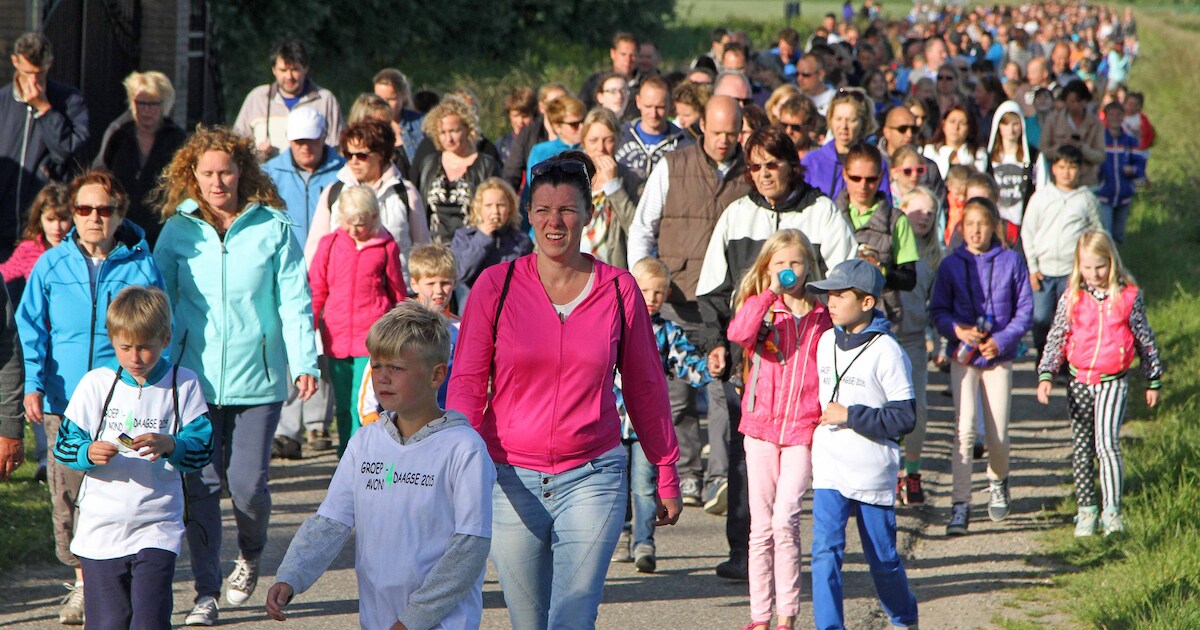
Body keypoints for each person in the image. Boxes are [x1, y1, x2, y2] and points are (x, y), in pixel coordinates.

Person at [448, 152, 682, 628]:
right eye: (542, 210)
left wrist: (665, 469)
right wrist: (454, 464)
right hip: (509, 476)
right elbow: (468, 383)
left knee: (573, 616)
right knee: (529, 622)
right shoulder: (497, 285)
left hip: (593, 474)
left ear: (589, 214)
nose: (555, 222)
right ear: (528, 214)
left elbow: (646, 388)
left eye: (568, 209)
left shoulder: (620, 290)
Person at [151, 126, 319, 625]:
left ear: (242, 172)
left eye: (226, 171)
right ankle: (206, 592)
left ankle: (250, 553)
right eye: (207, 174)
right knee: (199, 486)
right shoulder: (177, 231)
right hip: (191, 380)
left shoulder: (273, 226)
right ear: (193, 178)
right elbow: (156, 298)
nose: (218, 181)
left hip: (258, 379)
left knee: (246, 487)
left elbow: (294, 300)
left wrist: (305, 359)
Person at [266, 302, 495, 629]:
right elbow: (332, 520)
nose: (383, 378)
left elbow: (470, 547)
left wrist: (413, 619)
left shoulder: (464, 448)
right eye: (377, 366)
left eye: (397, 368)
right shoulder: (365, 441)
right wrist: (291, 575)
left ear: (437, 374)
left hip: (443, 622)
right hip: (377, 621)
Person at [18, 170, 163, 624]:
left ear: (119, 214)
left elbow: (159, 328)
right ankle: (82, 583)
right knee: (67, 495)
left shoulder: (142, 265)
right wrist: (34, 383)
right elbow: (31, 327)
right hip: (65, 402)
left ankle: (122, 580)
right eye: (84, 209)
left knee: (118, 493)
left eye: (104, 209)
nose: (94, 218)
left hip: (123, 400)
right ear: (73, 214)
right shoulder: (51, 265)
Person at [52, 286, 212, 630]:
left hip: (157, 523)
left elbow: (202, 448)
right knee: (108, 622)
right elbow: (65, 444)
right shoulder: (96, 383)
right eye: (125, 347)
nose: (135, 357)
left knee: (150, 621)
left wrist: (172, 444)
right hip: (101, 526)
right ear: (112, 340)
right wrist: (87, 452)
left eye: (145, 347)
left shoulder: (183, 384)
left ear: (165, 338)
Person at [628, 96, 749, 528]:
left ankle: (719, 478)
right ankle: (687, 474)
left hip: (725, 303)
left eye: (731, 134)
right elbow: (643, 226)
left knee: (722, 392)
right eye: (716, 133)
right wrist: (639, 284)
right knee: (673, 397)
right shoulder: (672, 165)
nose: (723, 141)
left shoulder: (751, 171)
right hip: (676, 296)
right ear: (701, 129)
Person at [807, 258, 920, 630]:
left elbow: (905, 418)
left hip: (872, 473)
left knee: (883, 560)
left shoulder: (887, 350)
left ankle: (904, 618)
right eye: (828, 295)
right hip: (829, 467)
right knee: (824, 554)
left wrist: (850, 415)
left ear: (868, 302)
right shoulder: (825, 341)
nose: (831, 302)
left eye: (840, 295)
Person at [726, 230, 831, 630]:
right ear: (769, 269)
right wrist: (768, 295)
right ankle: (760, 617)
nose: (789, 270)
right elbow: (737, 334)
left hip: (804, 429)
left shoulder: (822, 315)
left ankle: (787, 616)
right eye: (780, 264)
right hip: (760, 428)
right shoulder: (763, 308)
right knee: (761, 526)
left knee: (787, 519)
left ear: (809, 267)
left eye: (796, 263)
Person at [1036, 231, 1163, 537]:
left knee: (1106, 445)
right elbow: (1057, 336)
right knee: (1082, 447)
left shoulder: (1127, 297)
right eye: (1088, 268)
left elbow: (1145, 339)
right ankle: (1086, 511)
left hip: (1112, 381)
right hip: (1079, 379)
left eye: (1101, 267)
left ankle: (1112, 512)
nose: (1094, 275)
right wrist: (1046, 374)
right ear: (1079, 267)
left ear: (1112, 263)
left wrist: (1153, 377)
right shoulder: (1073, 297)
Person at [930, 198, 1033, 535]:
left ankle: (998, 479)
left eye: (982, 223)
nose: (976, 230)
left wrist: (1001, 341)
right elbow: (939, 310)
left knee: (997, 432)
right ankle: (960, 505)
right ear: (960, 228)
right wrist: (957, 330)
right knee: (963, 430)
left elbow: (1024, 311)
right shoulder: (950, 264)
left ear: (994, 227)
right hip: (964, 355)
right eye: (969, 223)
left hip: (998, 357)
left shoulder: (1012, 261)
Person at [612, 257, 711, 573]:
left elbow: (689, 364)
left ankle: (644, 541)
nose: (652, 299)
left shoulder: (667, 332)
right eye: (644, 291)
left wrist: (714, 371)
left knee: (643, 484)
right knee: (615, 485)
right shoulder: (614, 324)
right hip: (610, 422)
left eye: (659, 293)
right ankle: (619, 535)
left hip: (645, 426)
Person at [309, 186, 405, 456]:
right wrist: (310, 326)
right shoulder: (329, 244)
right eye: (348, 223)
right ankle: (344, 455)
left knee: (360, 403)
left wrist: (399, 332)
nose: (353, 230)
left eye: (361, 224)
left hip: (372, 339)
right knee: (340, 404)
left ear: (374, 217)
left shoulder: (387, 246)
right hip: (336, 337)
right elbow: (317, 289)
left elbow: (396, 291)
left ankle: (359, 455)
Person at [303, 120, 430, 283]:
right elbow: (315, 247)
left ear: (381, 154)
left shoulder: (405, 192)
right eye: (349, 154)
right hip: (343, 294)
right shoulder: (333, 192)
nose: (354, 161)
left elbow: (422, 248)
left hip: (398, 294)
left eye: (361, 155)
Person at [0, 33, 89, 256]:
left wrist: (45, 110)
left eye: (39, 74)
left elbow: (67, 151)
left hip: (45, 225)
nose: (33, 81)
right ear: (15, 62)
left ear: (49, 64)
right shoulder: (3, 102)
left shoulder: (69, 101)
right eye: (27, 72)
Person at [1021, 146, 1103, 355]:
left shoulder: (1086, 199)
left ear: (1080, 170)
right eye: (1062, 166)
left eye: (1072, 167)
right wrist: (1032, 267)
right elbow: (1028, 232)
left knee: (1069, 318)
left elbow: (1097, 234)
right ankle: (1044, 359)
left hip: (1072, 271)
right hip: (1043, 270)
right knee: (1040, 319)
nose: (1067, 172)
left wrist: (1090, 268)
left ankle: (1065, 364)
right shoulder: (1041, 197)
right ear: (1053, 169)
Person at [92, 71, 187, 248]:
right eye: (140, 103)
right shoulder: (118, 133)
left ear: (164, 104)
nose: (145, 110)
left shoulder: (176, 138)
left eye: (152, 104)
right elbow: (100, 174)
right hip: (121, 228)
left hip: (162, 229)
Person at [894, 187, 943, 505]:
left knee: (918, 409)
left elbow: (936, 305)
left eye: (930, 212)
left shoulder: (935, 258)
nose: (923, 217)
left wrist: (938, 341)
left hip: (913, 340)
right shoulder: (891, 247)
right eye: (917, 210)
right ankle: (890, 473)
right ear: (902, 210)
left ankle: (912, 472)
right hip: (883, 336)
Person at [232, 38, 342, 159]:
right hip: (265, 176)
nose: (289, 76)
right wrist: (256, 153)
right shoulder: (257, 98)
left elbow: (337, 146)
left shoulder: (325, 100)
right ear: (274, 70)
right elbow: (237, 144)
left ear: (305, 68)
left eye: (295, 70)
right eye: (283, 70)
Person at [418, 99, 502, 243]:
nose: (448, 138)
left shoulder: (487, 165)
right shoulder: (429, 163)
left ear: (467, 129)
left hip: (474, 248)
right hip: (434, 252)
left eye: (454, 131)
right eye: (442, 132)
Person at [802, 90, 893, 202]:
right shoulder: (812, 161)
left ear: (863, 123)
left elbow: (884, 207)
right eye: (838, 119)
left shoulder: (875, 161)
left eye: (851, 120)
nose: (844, 126)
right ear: (830, 120)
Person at [581, 107, 643, 269]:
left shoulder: (634, 178)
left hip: (611, 268)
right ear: (583, 141)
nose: (601, 148)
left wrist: (613, 186)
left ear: (618, 140)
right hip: (572, 267)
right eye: (593, 140)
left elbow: (636, 229)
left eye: (608, 140)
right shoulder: (569, 174)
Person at [450, 177, 532, 293]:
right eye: (488, 205)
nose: (495, 211)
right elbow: (461, 273)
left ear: (510, 208)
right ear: (479, 208)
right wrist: (482, 238)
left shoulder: (521, 241)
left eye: (501, 205)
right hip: (474, 301)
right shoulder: (464, 237)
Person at [407, 244, 461, 407]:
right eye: (430, 284)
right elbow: (375, 371)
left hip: (448, 420)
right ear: (414, 284)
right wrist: (371, 416)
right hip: (406, 421)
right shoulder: (399, 326)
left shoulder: (462, 328)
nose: (439, 291)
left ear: (455, 282)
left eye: (445, 283)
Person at [0, 183, 70, 300]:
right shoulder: (28, 249)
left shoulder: (79, 249)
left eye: (63, 219)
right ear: (39, 218)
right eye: (50, 219)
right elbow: (5, 272)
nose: (57, 227)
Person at [614, 76, 688, 184]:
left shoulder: (684, 142)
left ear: (671, 104)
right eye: (648, 106)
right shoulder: (619, 135)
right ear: (638, 102)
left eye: (660, 107)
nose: (653, 114)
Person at [985, 101, 1040, 245]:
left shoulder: (1034, 156)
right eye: (1006, 124)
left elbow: (1040, 189)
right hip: (995, 224)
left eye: (1015, 124)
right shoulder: (988, 157)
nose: (1011, 129)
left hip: (1024, 225)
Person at [501, 82, 569, 192]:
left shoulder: (577, 130)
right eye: (554, 102)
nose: (559, 107)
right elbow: (511, 175)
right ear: (542, 107)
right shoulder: (528, 134)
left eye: (564, 101)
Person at [1038, 81, 1105, 188]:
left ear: (1086, 101)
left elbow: (1101, 156)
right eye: (1072, 101)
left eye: (1079, 101)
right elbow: (1043, 151)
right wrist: (1062, 148)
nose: (1075, 105)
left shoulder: (1096, 123)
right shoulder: (1053, 120)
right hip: (1058, 184)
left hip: (1086, 183)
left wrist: (1081, 147)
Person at [1097, 101, 1146, 244]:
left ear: (1123, 117)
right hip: (1104, 194)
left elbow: (1140, 164)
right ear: (1105, 117)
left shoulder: (1129, 141)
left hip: (1124, 194)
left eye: (1118, 114)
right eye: (1111, 114)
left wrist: (1134, 170)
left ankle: (1118, 262)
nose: (1115, 118)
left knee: (1119, 236)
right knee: (1106, 233)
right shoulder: (1100, 140)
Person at [880, 106, 946, 200]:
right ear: (886, 132)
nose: (909, 134)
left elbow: (940, 206)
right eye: (902, 129)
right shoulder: (874, 163)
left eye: (914, 129)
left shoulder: (929, 167)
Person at [525, 96, 588, 185]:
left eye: (584, 121)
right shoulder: (541, 151)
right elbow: (531, 188)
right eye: (574, 124)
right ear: (557, 127)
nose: (582, 127)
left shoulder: (594, 147)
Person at [372, 68, 426, 162]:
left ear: (403, 96)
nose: (384, 104)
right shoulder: (369, 128)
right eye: (379, 99)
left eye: (391, 99)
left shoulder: (422, 123)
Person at [581, 32, 640, 111]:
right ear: (613, 54)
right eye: (623, 54)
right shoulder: (594, 82)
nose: (628, 60)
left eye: (633, 55)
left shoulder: (643, 87)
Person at [923, 105, 988, 177]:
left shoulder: (978, 154)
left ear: (969, 128)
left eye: (962, 123)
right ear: (943, 125)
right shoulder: (930, 151)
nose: (956, 127)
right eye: (952, 121)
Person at [497, 87, 537, 166]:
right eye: (516, 115)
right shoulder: (501, 145)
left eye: (525, 116)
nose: (520, 121)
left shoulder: (541, 143)